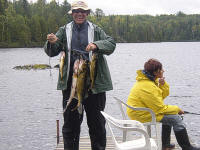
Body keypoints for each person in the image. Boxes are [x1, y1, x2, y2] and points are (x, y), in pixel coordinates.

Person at [44, 0, 116, 150]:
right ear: (72, 14)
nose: (80, 14)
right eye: (76, 11)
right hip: (71, 84)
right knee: (70, 127)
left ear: (87, 14)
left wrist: (97, 45)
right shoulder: (64, 30)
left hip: (95, 86)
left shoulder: (96, 29)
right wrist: (51, 42)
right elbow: (52, 51)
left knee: (97, 126)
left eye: (83, 12)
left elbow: (111, 44)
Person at [126, 59, 200, 150]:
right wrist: (177, 109)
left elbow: (160, 98)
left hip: (142, 111)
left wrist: (162, 85)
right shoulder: (148, 86)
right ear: (155, 72)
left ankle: (165, 145)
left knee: (170, 115)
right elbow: (160, 109)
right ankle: (187, 147)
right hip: (141, 114)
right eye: (161, 69)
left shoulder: (148, 82)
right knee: (176, 118)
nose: (163, 71)